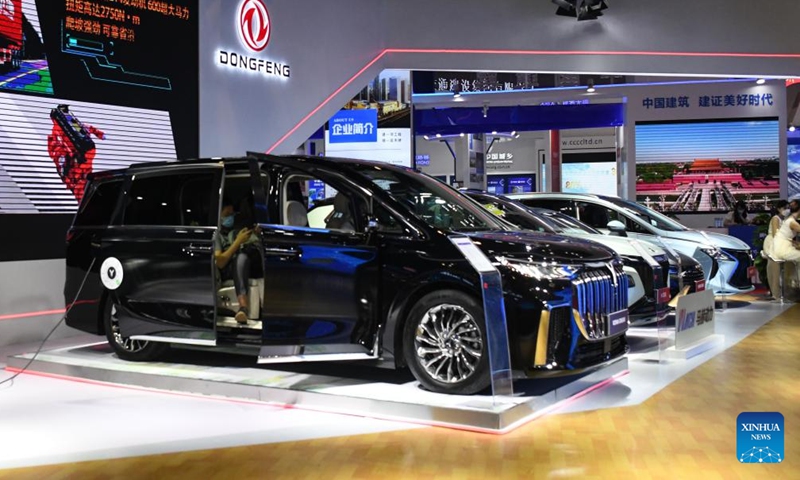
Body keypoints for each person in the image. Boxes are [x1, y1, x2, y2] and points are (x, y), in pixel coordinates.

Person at [214, 198, 261, 324]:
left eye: (232, 215)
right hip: (229, 267)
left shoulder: (236, 229)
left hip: (247, 264)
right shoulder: (217, 235)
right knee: (241, 257)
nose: (231, 218)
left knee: (247, 255)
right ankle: (243, 308)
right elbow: (220, 262)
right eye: (227, 215)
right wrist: (237, 242)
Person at [763, 200, 789, 299]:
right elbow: (776, 234)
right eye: (785, 208)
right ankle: (776, 294)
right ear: (779, 209)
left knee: (778, 270)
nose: (787, 210)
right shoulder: (775, 218)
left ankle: (780, 293)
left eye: (788, 208)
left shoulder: (785, 220)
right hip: (773, 244)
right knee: (774, 270)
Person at [772, 199, 800, 289]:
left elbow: (787, 237)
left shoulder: (789, 220)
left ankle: (795, 282)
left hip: (780, 246)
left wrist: (796, 243)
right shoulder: (792, 222)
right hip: (782, 249)